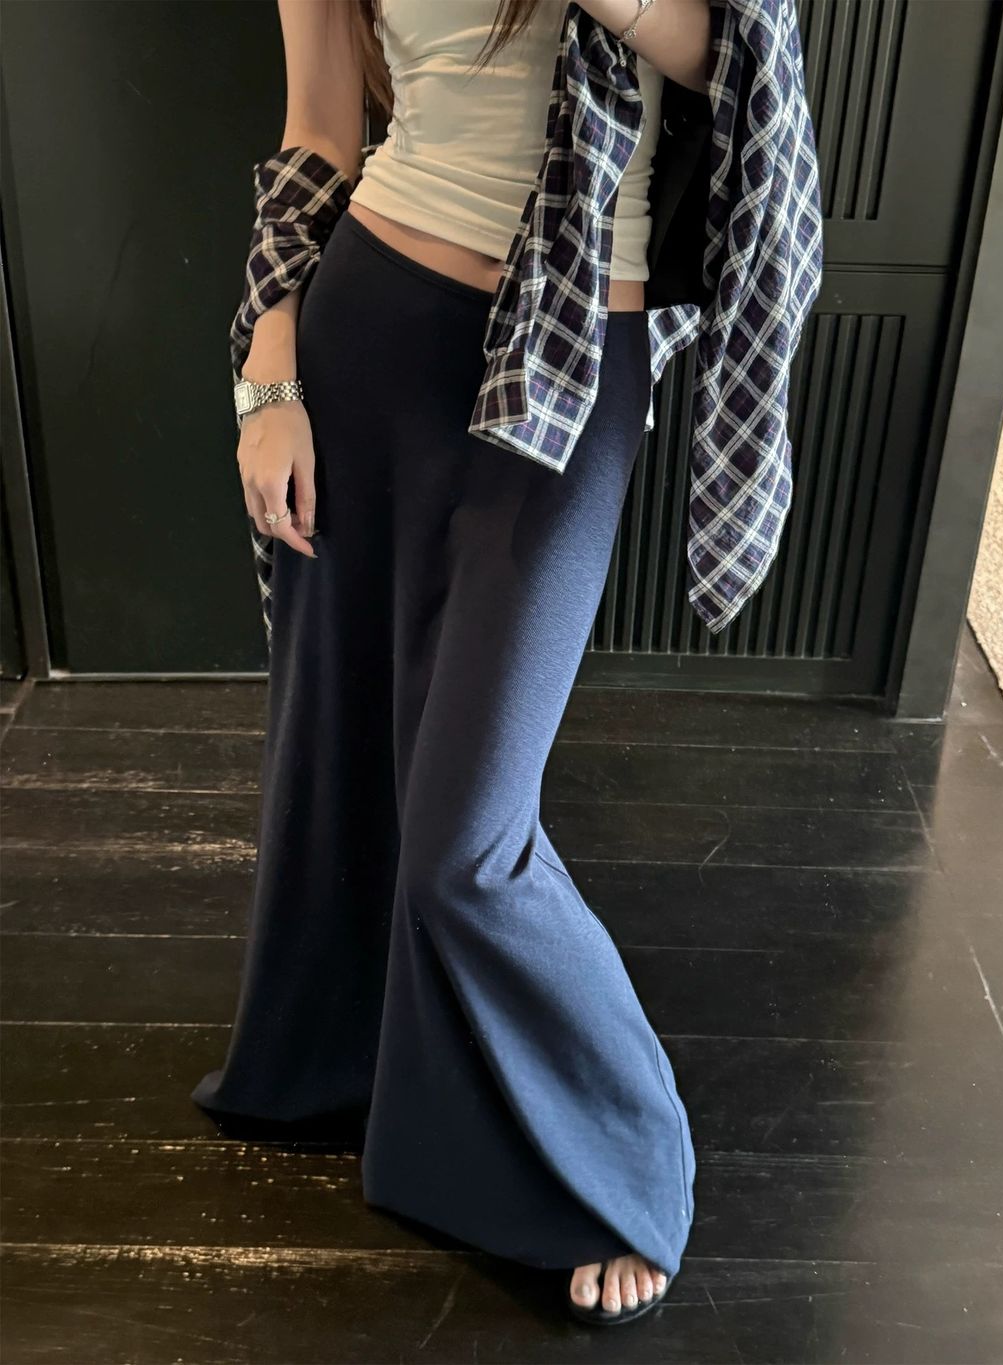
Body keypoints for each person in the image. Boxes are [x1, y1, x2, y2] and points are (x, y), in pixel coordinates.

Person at [192, 0, 820, 1331]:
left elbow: (735, 57)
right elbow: (318, 134)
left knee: (465, 842)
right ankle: (347, 1066)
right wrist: (267, 374)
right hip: (367, 334)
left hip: (575, 354)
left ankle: (627, 1156)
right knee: (340, 744)